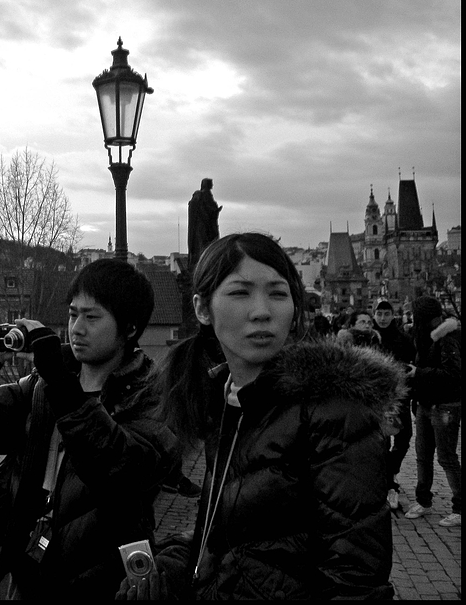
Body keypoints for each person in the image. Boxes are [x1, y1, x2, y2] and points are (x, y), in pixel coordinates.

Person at [116, 233, 403, 600]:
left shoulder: (334, 414)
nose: (262, 310)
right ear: (203, 309)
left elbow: (356, 582)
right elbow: (228, 535)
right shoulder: (228, 399)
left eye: (278, 293)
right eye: (240, 292)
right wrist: (172, 569)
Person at [0, 259, 178, 599]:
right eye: (72, 314)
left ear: (129, 328)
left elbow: (121, 471)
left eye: (91, 317)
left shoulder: (152, 395)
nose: (76, 328)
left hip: (105, 581)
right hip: (30, 576)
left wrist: (61, 382)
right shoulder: (41, 386)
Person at [403, 296, 461, 527]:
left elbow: (453, 374)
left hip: (445, 405)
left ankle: (460, 507)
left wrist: (418, 373)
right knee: (423, 456)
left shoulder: (448, 337)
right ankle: (423, 499)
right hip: (426, 404)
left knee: (447, 457)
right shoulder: (426, 336)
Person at [372, 300, 416, 511]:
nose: (382, 318)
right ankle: (389, 484)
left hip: (398, 398)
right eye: (379, 313)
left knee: (403, 436)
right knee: (381, 440)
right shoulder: (371, 338)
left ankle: (390, 471)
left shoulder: (404, 339)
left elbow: (410, 366)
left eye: (386, 314)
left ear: (392, 315)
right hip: (377, 400)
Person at [188, 178, 222, 270]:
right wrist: (214, 210)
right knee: (203, 244)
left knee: (208, 244)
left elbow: (210, 209)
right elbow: (205, 209)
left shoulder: (207, 195)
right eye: (211, 184)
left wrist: (215, 211)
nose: (212, 186)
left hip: (209, 226)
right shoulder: (200, 195)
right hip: (203, 226)